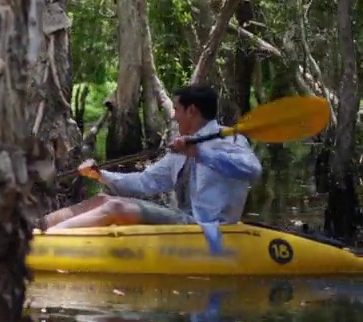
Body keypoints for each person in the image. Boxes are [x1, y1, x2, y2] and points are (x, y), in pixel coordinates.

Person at [39, 85, 262, 251]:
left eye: (177, 109)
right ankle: (36, 227)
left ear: (192, 111)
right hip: (183, 218)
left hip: (210, 227)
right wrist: (100, 175)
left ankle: (44, 243)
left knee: (116, 206)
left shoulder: (231, 141)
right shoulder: (184, 144)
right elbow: (145, 182)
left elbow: (252, 170)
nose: (173, 116)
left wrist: (201, 153)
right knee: (103, 200)